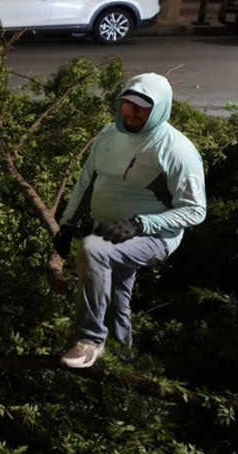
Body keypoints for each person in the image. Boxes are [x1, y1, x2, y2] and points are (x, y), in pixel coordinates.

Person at [54, 74, 206, 368]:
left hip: (155, 236)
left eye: (143, 107)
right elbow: (87, 181)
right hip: (112, 231)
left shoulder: (176, 150)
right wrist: (68, 223)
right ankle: (121, 363)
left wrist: (140, 224)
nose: (132, 112)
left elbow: (195, 211)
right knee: (115, 299)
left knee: (93, 250)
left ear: (159, 109)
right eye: (128, 103)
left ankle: (90, 341)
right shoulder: (108, 134)